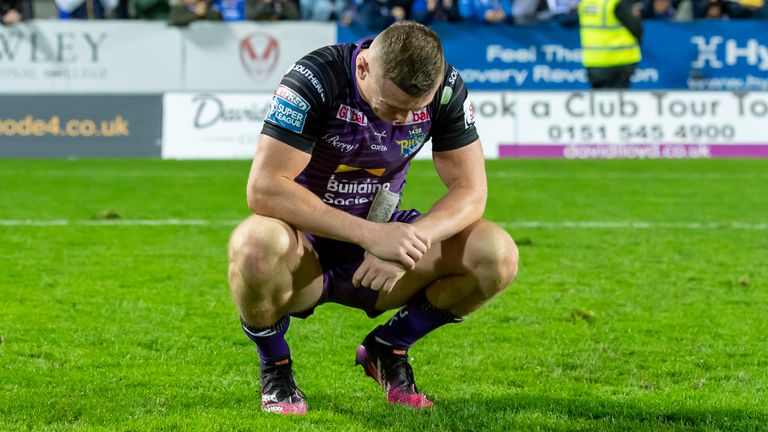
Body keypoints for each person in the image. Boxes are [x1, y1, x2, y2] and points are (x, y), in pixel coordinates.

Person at [227, 21, 519, 415]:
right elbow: (264, 188)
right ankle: (276, 366)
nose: (401, 120)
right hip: (304, 249)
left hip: (380, 252)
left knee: (496, 254)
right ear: (363, 67)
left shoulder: (447, 88)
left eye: (413, 110)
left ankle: (388, 348)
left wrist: (409, 241)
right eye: (391, 106)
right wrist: (370, 235)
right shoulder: (317, 77)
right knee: (254, 245)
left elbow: (471, 191)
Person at [578, 0, 643, 89]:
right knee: (616, 100)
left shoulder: (585, 3)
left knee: (599, 99)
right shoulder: (613, 3)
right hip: (619, 63)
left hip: (594, 63)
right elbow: (636, 27)